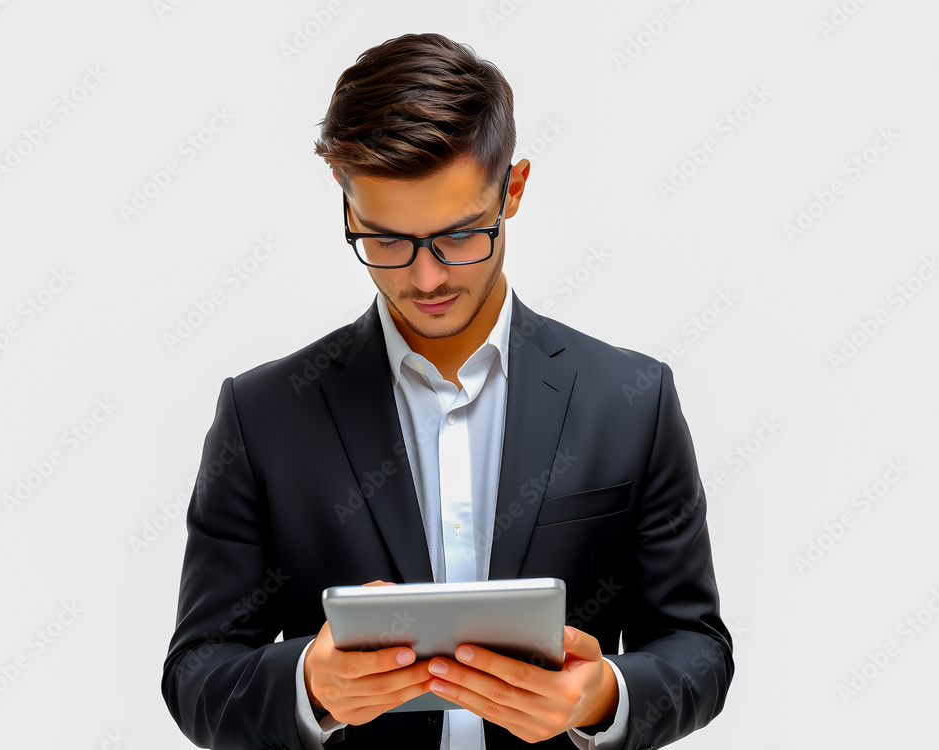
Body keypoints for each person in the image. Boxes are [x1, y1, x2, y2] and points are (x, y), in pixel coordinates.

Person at [161, 32, 733, 750]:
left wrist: (603, 696)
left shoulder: (632, 401)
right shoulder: (264, 416)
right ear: (347, 209)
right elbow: (198, 675)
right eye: (387, 241)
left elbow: (697, 648)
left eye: (459, 237)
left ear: (512, 192)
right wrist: (309, 683)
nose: (426, 279)